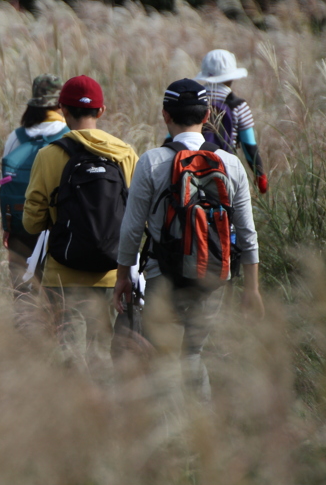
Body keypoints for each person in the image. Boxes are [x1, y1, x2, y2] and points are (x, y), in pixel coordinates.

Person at [114, 79, 263, 399]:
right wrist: (252, 289)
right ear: (208, 115)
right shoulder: (232, 164)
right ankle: (203, 437)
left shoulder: (151, 162)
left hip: (161, 276)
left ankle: (169, 437)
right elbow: (248, 234)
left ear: (166, 115)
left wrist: (123, 276)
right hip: (213, 276)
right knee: (192, 355)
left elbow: (130, 229)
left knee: (164, 357)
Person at [22, 75, 138, 374]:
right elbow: (140, 219)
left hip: (63, 274)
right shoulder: (126, 154)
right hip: (115, 274)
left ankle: (74, 417)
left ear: (62, 109)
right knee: (105, 358)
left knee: (68, 359)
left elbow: (32, 223)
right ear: (101, 111)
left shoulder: (49, 155)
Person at [0, 74, 68, 290]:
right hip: (60, 227)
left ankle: (26, 323)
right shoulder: (70, 135)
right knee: (58, 294)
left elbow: (3, 182)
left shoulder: (17, 137)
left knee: (23, 292)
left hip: (21, 223)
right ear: (60, 104)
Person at [196, 49, 268, 194]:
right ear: (232, 77)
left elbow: (173, 136)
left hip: (191, 169)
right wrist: (260, 175)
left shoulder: (192, 101)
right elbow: (249, 145)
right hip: (225, 170)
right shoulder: (238, 105)